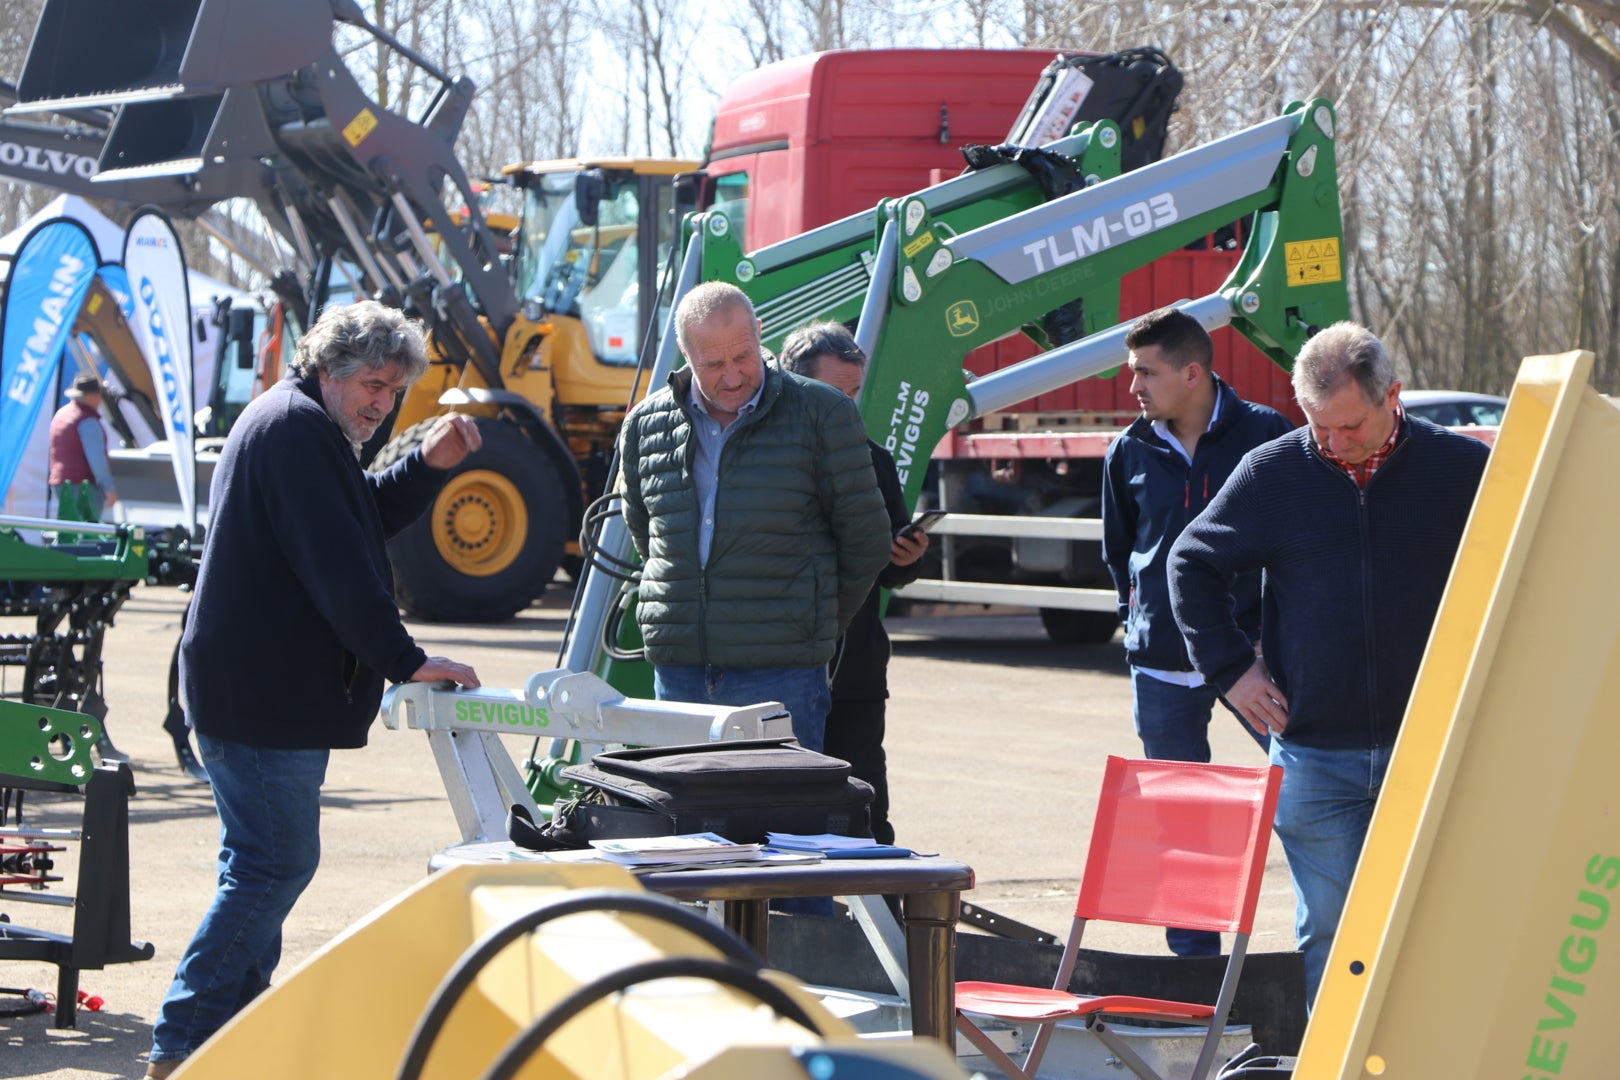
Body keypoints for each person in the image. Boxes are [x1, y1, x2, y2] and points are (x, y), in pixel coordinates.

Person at [145, 301, 484, 1077]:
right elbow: (337, 565)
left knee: (260, 869)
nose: (382, 403)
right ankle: (184, 1039)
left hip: (257, 692)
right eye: (371, 383)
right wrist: (406, 658)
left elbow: (353, 516)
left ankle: (227, 1041)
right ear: (328, 369)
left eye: (394, 391)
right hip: (261, 699)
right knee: (274, 868)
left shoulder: (301, 425)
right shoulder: (296, 431)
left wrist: (424, 467)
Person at [1168, 322, 1489, 1006]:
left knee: (1442, 927)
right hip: (1315, 755)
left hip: (1432, 748)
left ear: (1393, 396)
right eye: (1320, 429)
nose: (1335, 446)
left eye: (1350, 426)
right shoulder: (1275, 472)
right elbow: (1191, 562)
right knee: (1333, 936)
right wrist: (1231, 671)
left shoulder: (1464, 472)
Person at [617, 282, 892, 754]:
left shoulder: (823, 414)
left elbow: (866, 540)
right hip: (679, 673)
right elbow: (647, 531)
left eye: (742, 356)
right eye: (712, 364)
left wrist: (809, 624)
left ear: (760, 333)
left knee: (777, 824)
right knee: (689, 824)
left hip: (782, 675)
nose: (731, 376)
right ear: (684, 353)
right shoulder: (646, 423)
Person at [1100, 307, 1292, 957]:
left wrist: (1272, 639)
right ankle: (1195, 963)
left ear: (1191, 373)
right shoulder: (1127, 449)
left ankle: (1331, 939)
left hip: (1252, 659)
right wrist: (1137, 621)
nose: (1133, 389)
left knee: (1310, 788)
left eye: (1144, 374)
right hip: (1159, 665)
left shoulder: (1268, 438)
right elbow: (1120, 548)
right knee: (1179, 819)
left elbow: (1298, 546)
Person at [779, 321, 927, 844]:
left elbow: (892, 569)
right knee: (782, 820)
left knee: (866, 816)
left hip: (857, 675)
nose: (846, 408)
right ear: (793, 385)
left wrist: (907, 556)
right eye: (833, 394)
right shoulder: (764, 463)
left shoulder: (874, 460)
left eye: (854, 394)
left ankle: (881, 923)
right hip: (778, 671)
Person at [48, 373, 117, 520]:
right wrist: (109, 488)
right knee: (88, 533)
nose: (100, 400)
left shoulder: (61, 414)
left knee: (70, 530)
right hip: (83, 486)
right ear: (92, 396)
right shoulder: (88, 421)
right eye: (99, 396)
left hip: (59, 483)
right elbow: (97, 458)